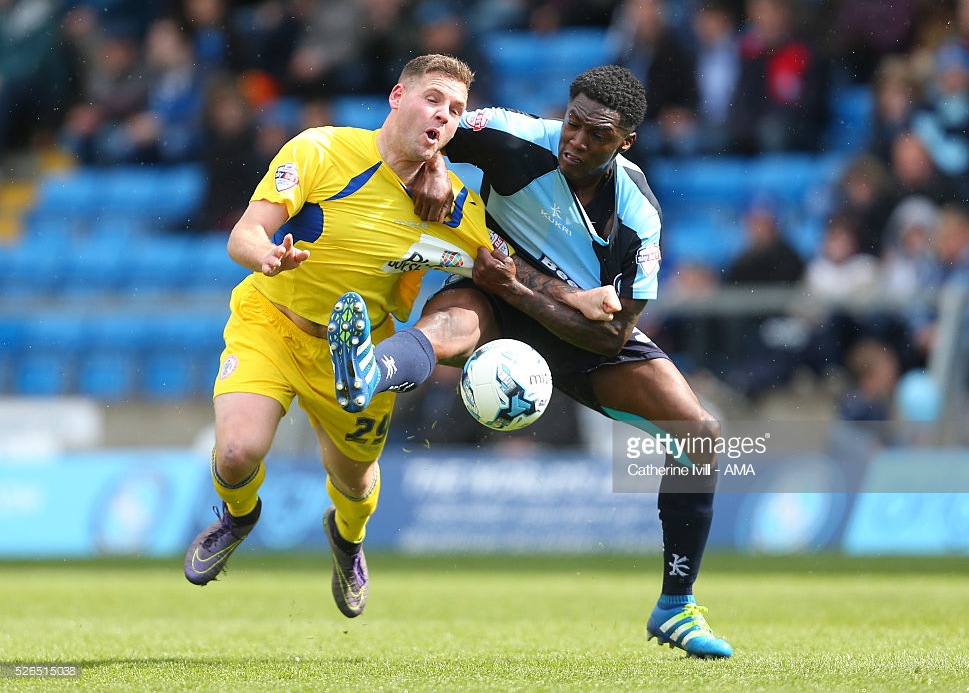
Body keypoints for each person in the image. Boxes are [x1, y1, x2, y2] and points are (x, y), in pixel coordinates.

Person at [181, 54, 612, 616]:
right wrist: (268, 255)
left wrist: (572, 296)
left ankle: (347, 541)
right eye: (432, 98)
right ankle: (237, 517)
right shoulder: (320, 150)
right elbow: (245, 233)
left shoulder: (451, 202)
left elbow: (506, 268)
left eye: (455, 110)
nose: (442, 115)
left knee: (355, 486)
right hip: (271, 323)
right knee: (238, 452)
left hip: (359, 354)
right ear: (397, 97)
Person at [328, 65, 733, 658]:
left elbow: (613, 337)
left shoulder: (638, 213)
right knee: (448, 327)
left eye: (597, 136)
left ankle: (676, 606)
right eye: (572, 123)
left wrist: (522, 290)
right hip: (491, 296)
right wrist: (438, 170)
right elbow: (425, 132)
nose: (576, 141)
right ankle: (368, 375)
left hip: (576, 329)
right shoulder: (513, 135)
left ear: (625, 143)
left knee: (699, 436)